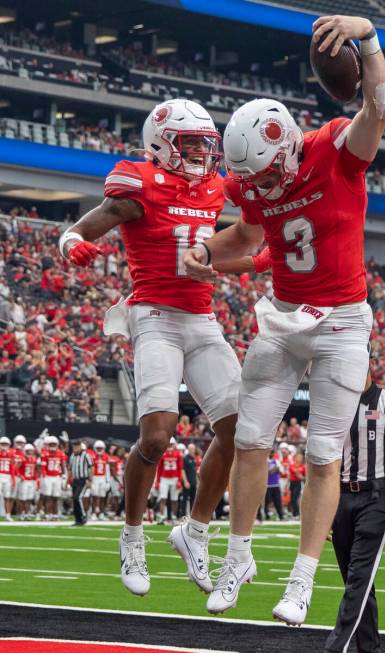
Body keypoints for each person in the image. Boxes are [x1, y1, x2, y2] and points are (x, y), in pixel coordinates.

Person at [184, 15, 385, 622]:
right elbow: (248, 231)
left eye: (267, 172)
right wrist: (205, 251)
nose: (262, 186)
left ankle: (302, 580)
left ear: (287, 142)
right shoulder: (256, 183)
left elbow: (377, 106)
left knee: (323, 455)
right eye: (252, 178)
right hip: (281, 316)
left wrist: (371, 38)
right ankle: (238, 556)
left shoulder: (334, 149)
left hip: (342, 322)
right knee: (250, 440)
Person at [58, 98, 242, 597]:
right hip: (154, 315)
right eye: (192, 144)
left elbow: (250, 220)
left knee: (240, 435)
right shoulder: (139, 184)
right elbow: (80, 228)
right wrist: (71, 243)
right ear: (162, 143)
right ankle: (132, 535)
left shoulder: (215, 186)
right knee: (157, 438)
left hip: (201, 317)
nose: (203, 153)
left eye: (208, 143)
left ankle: (195, 530)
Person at [324, 369, 385, 652]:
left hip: (376, 496)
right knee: (356, 580)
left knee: (359, 575)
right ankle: (370, 648)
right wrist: (323, 509)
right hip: (340, 495)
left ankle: (335, 646)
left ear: (368, 363)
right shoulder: (336, 401)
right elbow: (324, 459)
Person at [155, 437, 182, 524]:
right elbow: (159, 469)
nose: (170, 446)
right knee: (163, 498)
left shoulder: (178, 454)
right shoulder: (162, 454)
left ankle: (174, 517)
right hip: (164, 478)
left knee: (174, 499)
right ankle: (162, 517)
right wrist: (158, 481)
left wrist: (179, 480)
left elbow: (180, 468)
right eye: (169, 444)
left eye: (171, 444)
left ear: (174, 444)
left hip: (174, 478)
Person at [68, 440, 94, 526]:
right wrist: (67, 481)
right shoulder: (72, 456)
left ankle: (83, 516)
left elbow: (91, 468)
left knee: (78, 497)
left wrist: (90, 480)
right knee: (74, 499)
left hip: (84, 480)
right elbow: (70, 469)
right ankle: (77, 519)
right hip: (75, 480)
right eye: (74, 447)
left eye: (76, 446)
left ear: (80, 447)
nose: (75, 448)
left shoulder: (86, 455)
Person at [181, 443, 199, 515]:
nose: (192, 450)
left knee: (193, 499)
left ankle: (192, 515)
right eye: (190, 449)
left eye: (193, 449)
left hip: (194, 482)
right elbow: (183, 470)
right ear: (188, 449)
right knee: (185, 499)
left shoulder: (195, 459)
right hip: (188, 482)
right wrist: (185, 481)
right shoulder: (185, 458)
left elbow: (195, 472)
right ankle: (182, 515)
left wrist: (197, 482)